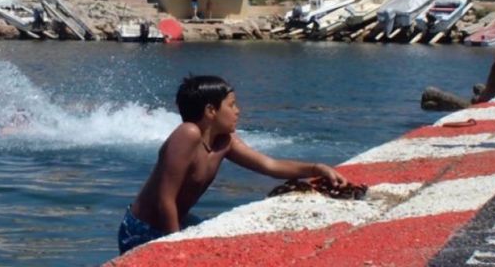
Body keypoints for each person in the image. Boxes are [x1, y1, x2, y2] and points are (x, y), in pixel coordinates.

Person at [118, 75, 347, 255]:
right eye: (232, 105)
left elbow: (270, 165)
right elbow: (164, 198)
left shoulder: (225, 142)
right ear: (211, 111)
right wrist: (176, 244)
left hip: (177, 222)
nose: (238, 111)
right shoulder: (187, 134)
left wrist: (317, 168)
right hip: (143, 229)